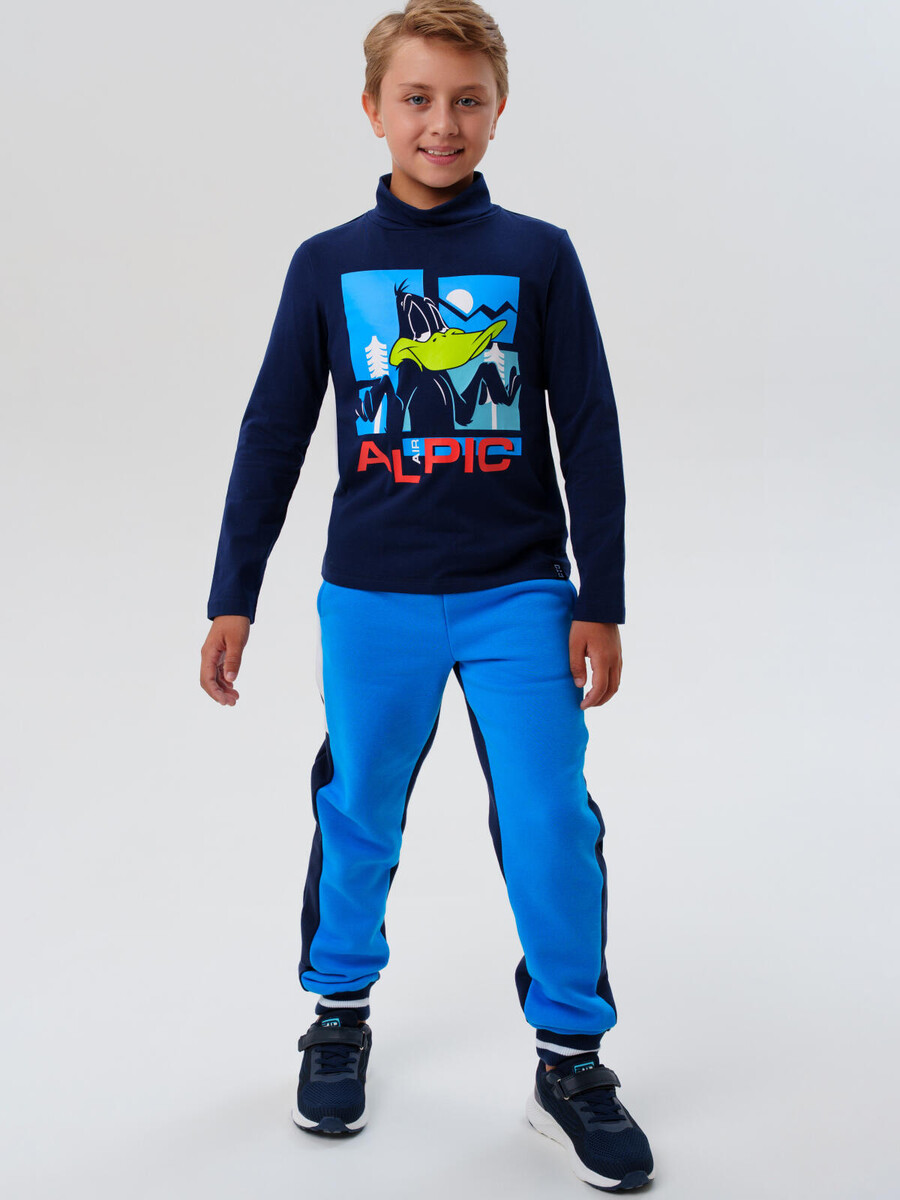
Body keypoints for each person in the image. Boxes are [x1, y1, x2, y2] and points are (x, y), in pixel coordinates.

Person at [199, 0, 654, 1190]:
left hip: (522, 596)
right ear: (373, 110)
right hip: (373, 597)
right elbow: (272, 432)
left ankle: (571, 1060)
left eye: (466, 100)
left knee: (552, 818)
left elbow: (590, 429)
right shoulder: (328, 263)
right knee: (359, 808)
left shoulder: (540, 256)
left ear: (498, 112)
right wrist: (233, 591)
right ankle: (337, 1014)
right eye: (417, 98)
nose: (441, 122)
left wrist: (600, 598)